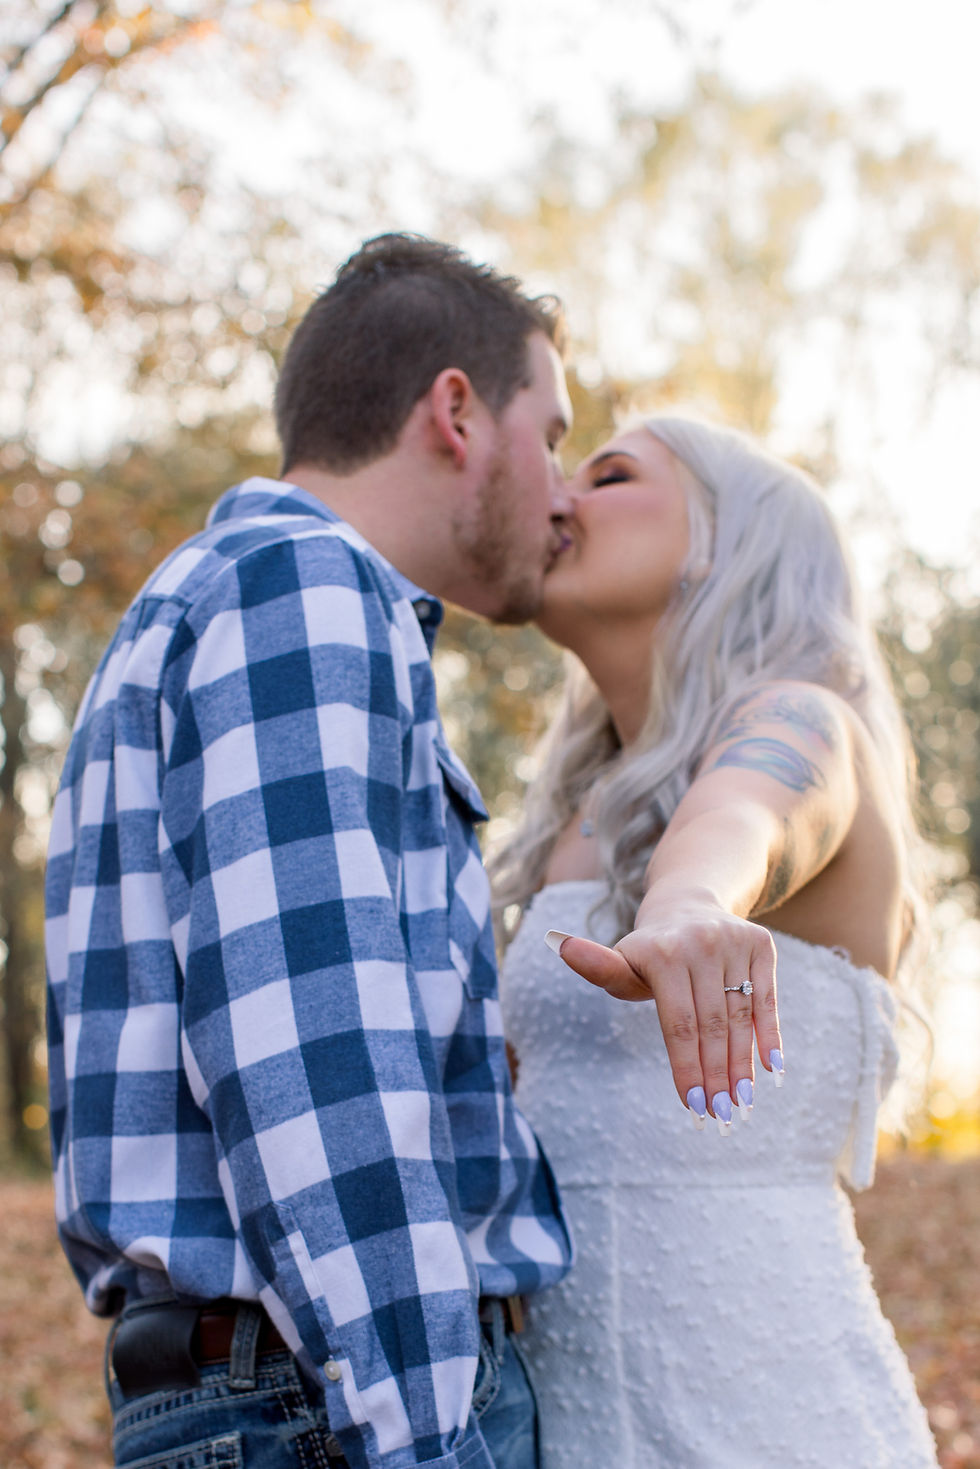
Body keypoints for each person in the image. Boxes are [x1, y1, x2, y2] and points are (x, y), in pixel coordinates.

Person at [44, 233, 583, 1469]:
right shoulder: (305, 586)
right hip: (334, 1404)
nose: (559, 490)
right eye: (548, 432)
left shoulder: (214, 598)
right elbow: (310, 1046)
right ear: (454, 409)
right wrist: (424, 1432)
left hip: (272, 1391)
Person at [492, 416, 939, 1467]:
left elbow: (744, 817)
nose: (559, 497)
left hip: (772, 1421)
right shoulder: (570, 812)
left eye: (607, 475)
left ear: (723, 541)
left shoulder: (801, 721)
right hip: (574, 1428)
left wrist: (689, 903)